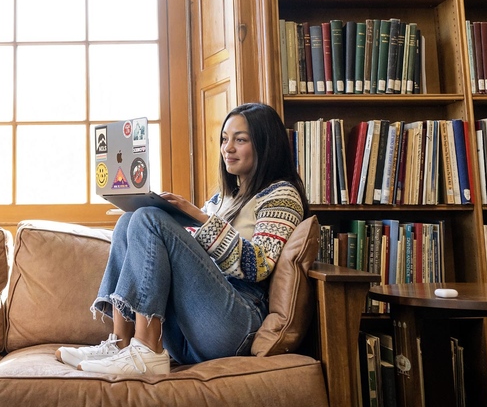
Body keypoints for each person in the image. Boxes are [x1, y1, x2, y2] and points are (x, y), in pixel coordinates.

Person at [56, 103, 310, 375]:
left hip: (236, 324)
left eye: (240, 139)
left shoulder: (281, 195)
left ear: (265, 144)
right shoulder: (222, 199)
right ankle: (120, 343)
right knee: (130, 219)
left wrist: (195, 216)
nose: (228, 148)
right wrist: (178, 219)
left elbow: (258, 266)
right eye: (225, 139)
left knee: (148, 218)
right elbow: (192, 255)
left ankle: (146, 349)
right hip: (193, 331)